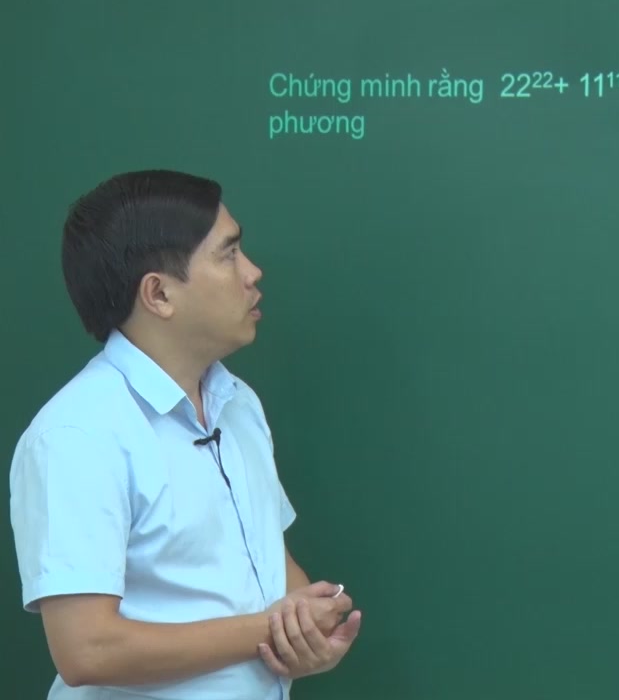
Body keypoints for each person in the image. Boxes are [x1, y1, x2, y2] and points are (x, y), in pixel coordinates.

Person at [8, 169, 362, 699]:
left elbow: (270, 565)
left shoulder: (237, 403)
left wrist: (309, 626)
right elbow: (87, 649)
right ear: (159, 293)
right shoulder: (77, 434)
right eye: (229, 254)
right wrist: (266, 631)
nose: (253, 272)